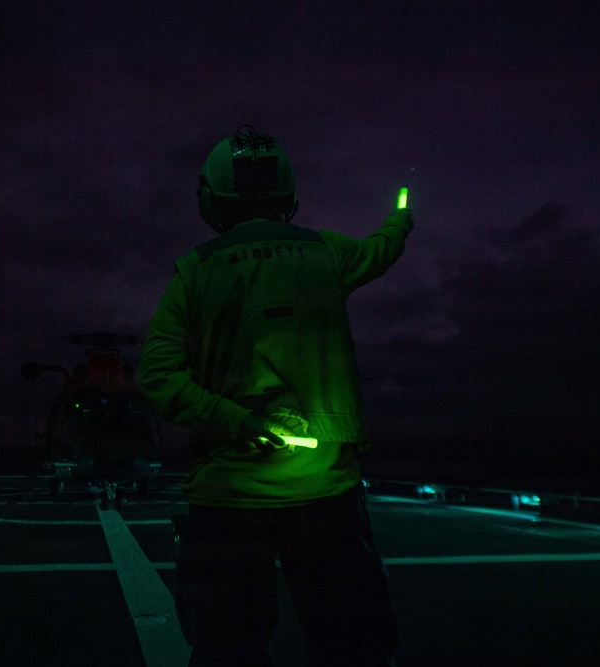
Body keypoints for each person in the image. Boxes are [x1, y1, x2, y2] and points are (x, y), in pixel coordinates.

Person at [138, 126, 413, 666]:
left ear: (212, 197)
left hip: (227, 497)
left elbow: (159, 377)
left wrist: (238, 421)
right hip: (325, 490)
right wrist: (401, 216)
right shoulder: (327, 253)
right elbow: (384, 249)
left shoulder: (195, 271)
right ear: (288, 192)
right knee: (353, 645)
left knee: (228, 649)